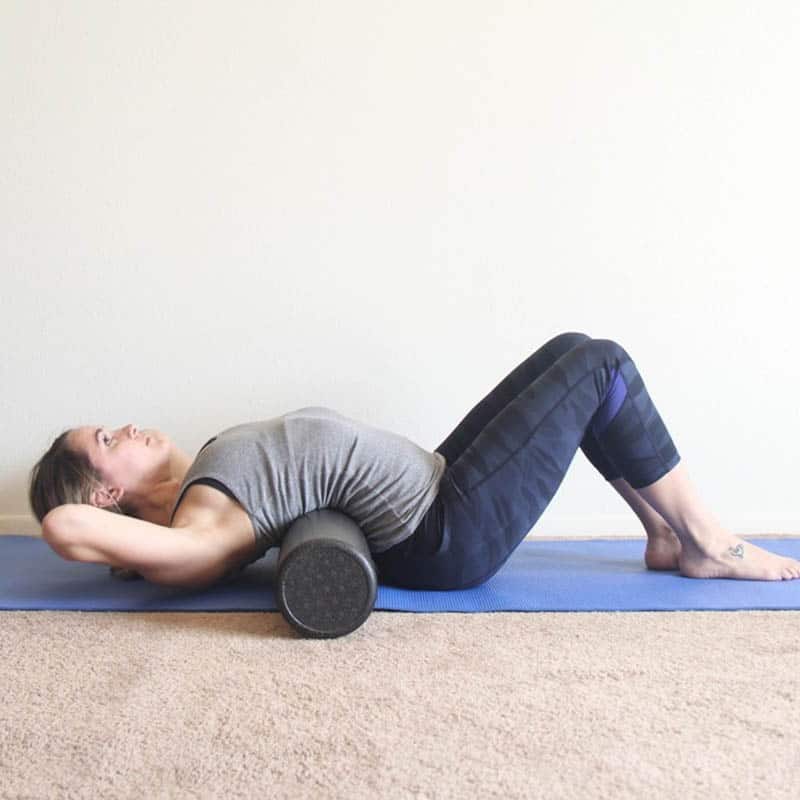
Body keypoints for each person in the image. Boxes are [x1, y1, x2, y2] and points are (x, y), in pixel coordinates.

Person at [29, 331, 800, 590]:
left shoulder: (201, 482)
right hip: (444, 529)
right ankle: (706, 540)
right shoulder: (198, 525)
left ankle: (664, 534)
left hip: (437, 481)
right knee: (599, 365)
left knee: (576, 355)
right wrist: (90, 524)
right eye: (105, 442)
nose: (124, 429)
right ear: (101, 495)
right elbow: (63, 528)